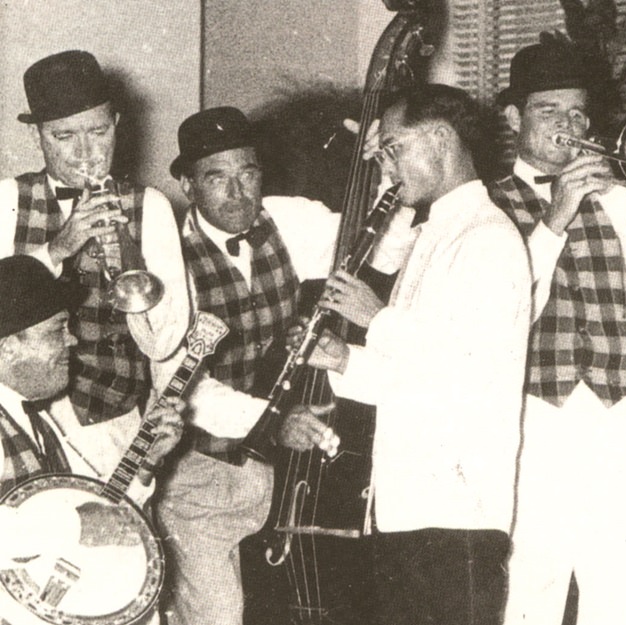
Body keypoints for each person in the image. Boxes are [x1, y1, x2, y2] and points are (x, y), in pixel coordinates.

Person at [283, 83, 531, 625]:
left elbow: (467, 366)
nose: (387, 167)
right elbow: (417, 380)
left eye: (394, 148)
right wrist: (340, 358)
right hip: (410, 507)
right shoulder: (435, 233)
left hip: (458, 511)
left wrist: (376, 316)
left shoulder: (485, 236)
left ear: (440, 139)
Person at [489, 40, 626, 625]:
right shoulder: (486, 204)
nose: (568, 126)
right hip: (533, 419)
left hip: (623, 416)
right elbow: (503, 313)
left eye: (578, 114)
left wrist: (622, 203)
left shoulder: (618, 199)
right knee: (529, 591)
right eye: (550, 111)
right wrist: (555, 217)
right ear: (514, 118)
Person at [153, 106, 341, 625]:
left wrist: (384, 169)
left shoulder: (290, 219)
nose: (238, 194)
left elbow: (382, 248)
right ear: (189, 185)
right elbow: (183, 382)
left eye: (248, 173)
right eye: (217, 177)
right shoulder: (167, 254)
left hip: (271, 477)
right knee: (218, 615)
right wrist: (275, 422)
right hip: (195, 481)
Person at [0, 50, 189, 482]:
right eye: (64, 137)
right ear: (39, 137)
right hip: (16, 423)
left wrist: (128, 256)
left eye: (98, 132)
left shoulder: (151, 206)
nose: (85, 152)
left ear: (117, 125)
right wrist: (57, 250)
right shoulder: (6, 199)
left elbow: (164, 345)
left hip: (113, 424)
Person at [0, 255, 184, 624]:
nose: (72, 339)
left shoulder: (34, 418)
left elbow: (98, 508)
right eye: (56, 330)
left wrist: (147, 464)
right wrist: (76, 526)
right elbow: (82, 521)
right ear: (7, 348)